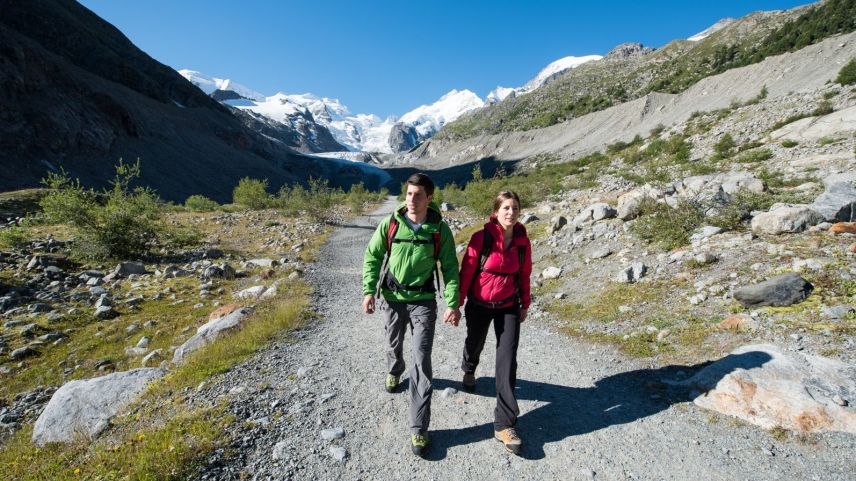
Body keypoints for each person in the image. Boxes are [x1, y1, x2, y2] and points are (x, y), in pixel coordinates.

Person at [362, 173, 461, 457]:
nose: (411, 199)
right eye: (408, 194)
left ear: (429, 198)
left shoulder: (439, 229)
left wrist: (453, 303)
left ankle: (419, 428)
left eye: (418, 195)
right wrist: (369, 291)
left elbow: (450, 268)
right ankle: (395, 370)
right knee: (393, 344)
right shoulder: (391, 223)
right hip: (393, 299)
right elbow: (373, 255)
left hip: (423, 302)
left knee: (421, 359)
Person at [456, 190, 532, 455]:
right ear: (496, 211)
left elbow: (525, 273)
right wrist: (457, 303)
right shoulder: (482, 238)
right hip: (479, 304)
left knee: (507, 360)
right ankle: (469, 367)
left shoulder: (522, 242)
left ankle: (504, 424)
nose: (511, 212)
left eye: (515, 208)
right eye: (506, 208)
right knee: (475, 342)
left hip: (508, 306)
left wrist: (525, 303)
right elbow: (467, 271)